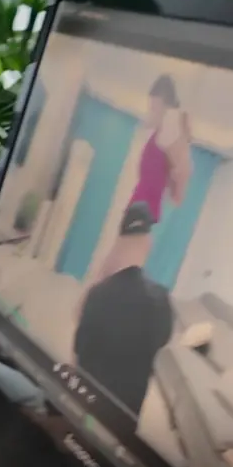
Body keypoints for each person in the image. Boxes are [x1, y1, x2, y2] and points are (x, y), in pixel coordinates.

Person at [72, 74, 192, 423]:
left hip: (143, 213)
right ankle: (85, 323)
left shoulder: (170, 128)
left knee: (108, 275)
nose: (149, 109)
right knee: (106, 273)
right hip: (139, 209)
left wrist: (178, 184)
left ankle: (86, 330)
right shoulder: (160, 132)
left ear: (164, 103)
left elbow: (182, 173)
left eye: (153, 104)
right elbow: (175, 173)